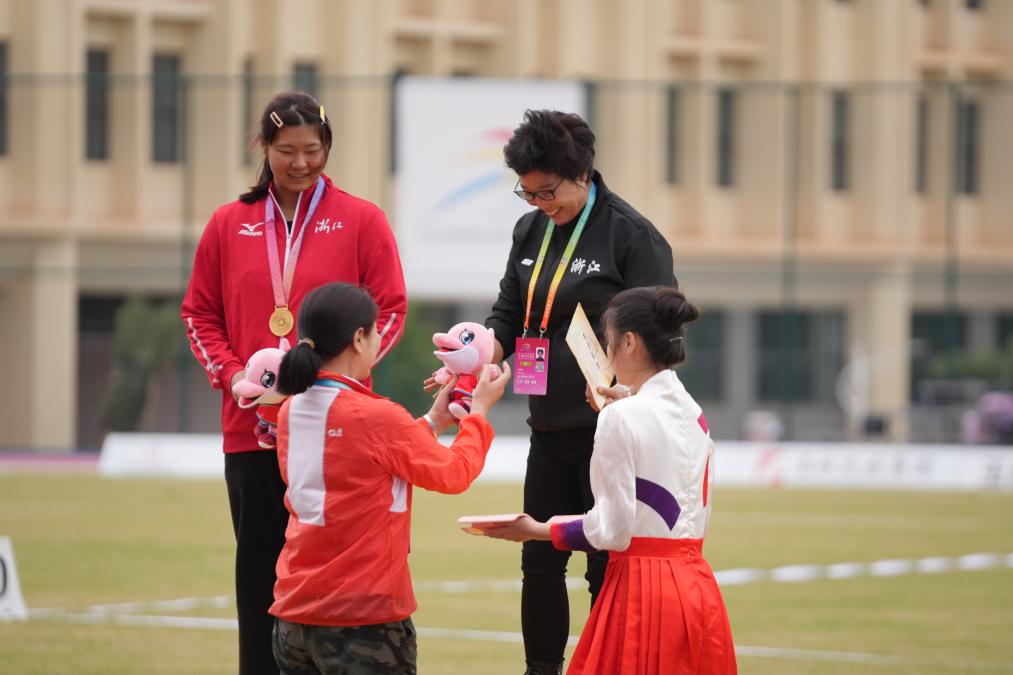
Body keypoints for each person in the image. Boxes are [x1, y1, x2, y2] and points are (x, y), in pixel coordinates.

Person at [181, 91, 407, 675]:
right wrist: (234, 377)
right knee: (259, 577)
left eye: (313, 149)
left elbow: (390, 310)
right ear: (264, 148)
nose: (301, 162)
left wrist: (336, 377)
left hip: (339, 433)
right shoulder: (228, 224)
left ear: (327, 147)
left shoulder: (362, 220)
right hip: (251, 430)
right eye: (286, 150)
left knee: (338, 577)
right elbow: (199, 313)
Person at [485, 109, 678, 674]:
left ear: (583, 175)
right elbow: (509, 312)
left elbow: (664, 332)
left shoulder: (631, 235)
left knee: (605, 566)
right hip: (547, 429)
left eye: (548, 192)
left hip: (612, 430)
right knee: (539, 562)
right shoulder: (530, 231)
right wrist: (477, 356)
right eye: (527, 193)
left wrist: (630, 394)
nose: (539, 204)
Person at [482, 286, 737, 675]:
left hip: (641, 590)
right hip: (697, 589)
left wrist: (536, 530)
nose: (605, 350)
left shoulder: (619, 417)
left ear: (629, 342)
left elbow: (611, 530)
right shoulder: (694, 413)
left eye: (608, 339)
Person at [270, 282, 511, 674]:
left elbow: (363, 458)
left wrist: (433, 421)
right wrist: (479, 414)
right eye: (376, 331)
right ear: (358, 338)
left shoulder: (290, 410)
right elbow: (454, 473)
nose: (380, 340)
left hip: (293, 615)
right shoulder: (375, 416)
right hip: (361, 617)